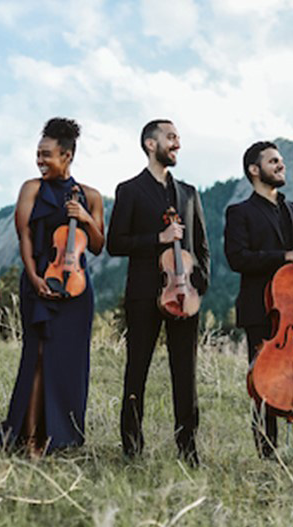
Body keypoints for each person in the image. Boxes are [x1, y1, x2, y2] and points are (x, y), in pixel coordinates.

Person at [0, 118, 105, 455]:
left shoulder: (93, 196)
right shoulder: (31, 189)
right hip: (39, 279)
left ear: (67, 156)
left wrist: (84, 218)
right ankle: (28, 437)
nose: (40, 161)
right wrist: (34, 276)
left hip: (76, 289)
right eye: (38, 154)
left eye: (47, 155)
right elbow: (25, 235)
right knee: (38, 355)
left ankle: (62, 436)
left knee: (69, 360)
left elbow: (99, 245)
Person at [106, 119, 209, 467]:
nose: (177, 142)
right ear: (151, 144)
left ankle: (188, 448)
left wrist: (199, 282)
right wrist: (158, 239)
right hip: (144, 294)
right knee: (137, 370)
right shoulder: (129, 190)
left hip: (185, 294)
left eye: (178, 137)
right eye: (171, 137)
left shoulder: (190, 193)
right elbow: (115, 243)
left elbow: (201, 246)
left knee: (186, 372)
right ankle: (132, 446)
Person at [223, 140, 293, 457]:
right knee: (265, 385)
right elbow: (238, 258)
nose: (281, 165)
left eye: (281, 161)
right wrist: (288, 255)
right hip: (261, 310)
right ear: (254, 170)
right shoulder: (239, 212)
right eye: (273, 161)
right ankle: (267, 457)